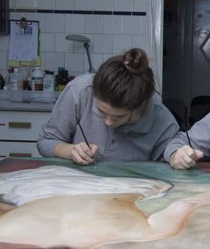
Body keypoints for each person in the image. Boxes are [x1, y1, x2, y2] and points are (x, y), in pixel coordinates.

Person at [37, 48, 179, 164]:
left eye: (119, 116)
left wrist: (178, 157)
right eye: (101, 111)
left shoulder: (163, 121)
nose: (108, 122)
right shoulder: (79, 91)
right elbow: (45, 141)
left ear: (142, 105)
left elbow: (169, 167)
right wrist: (69, 151)